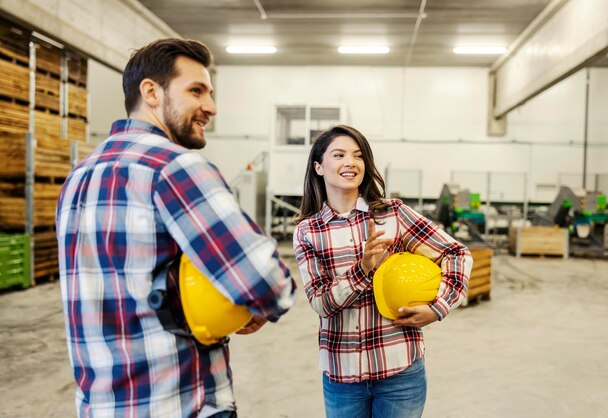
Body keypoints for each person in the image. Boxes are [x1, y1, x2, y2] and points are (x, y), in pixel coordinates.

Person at [56, 38, 297, 418]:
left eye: (211, 92)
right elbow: (268, 282)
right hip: (179, 403)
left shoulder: (79, 177)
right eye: (196, 91)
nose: (211, 107)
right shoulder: (175, 167)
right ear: (151, 91)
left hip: (102, 406)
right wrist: (257, 305)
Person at [292, 125, 472, 418]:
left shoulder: (393, 214)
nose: (350, 162)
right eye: (339, 155)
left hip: (400, 373)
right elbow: (321, 303)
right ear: (318, 166)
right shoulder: (308, 231)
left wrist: (439, 307)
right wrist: (363, 269)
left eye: (358, 156)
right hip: (342, 377)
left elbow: (456, 253)